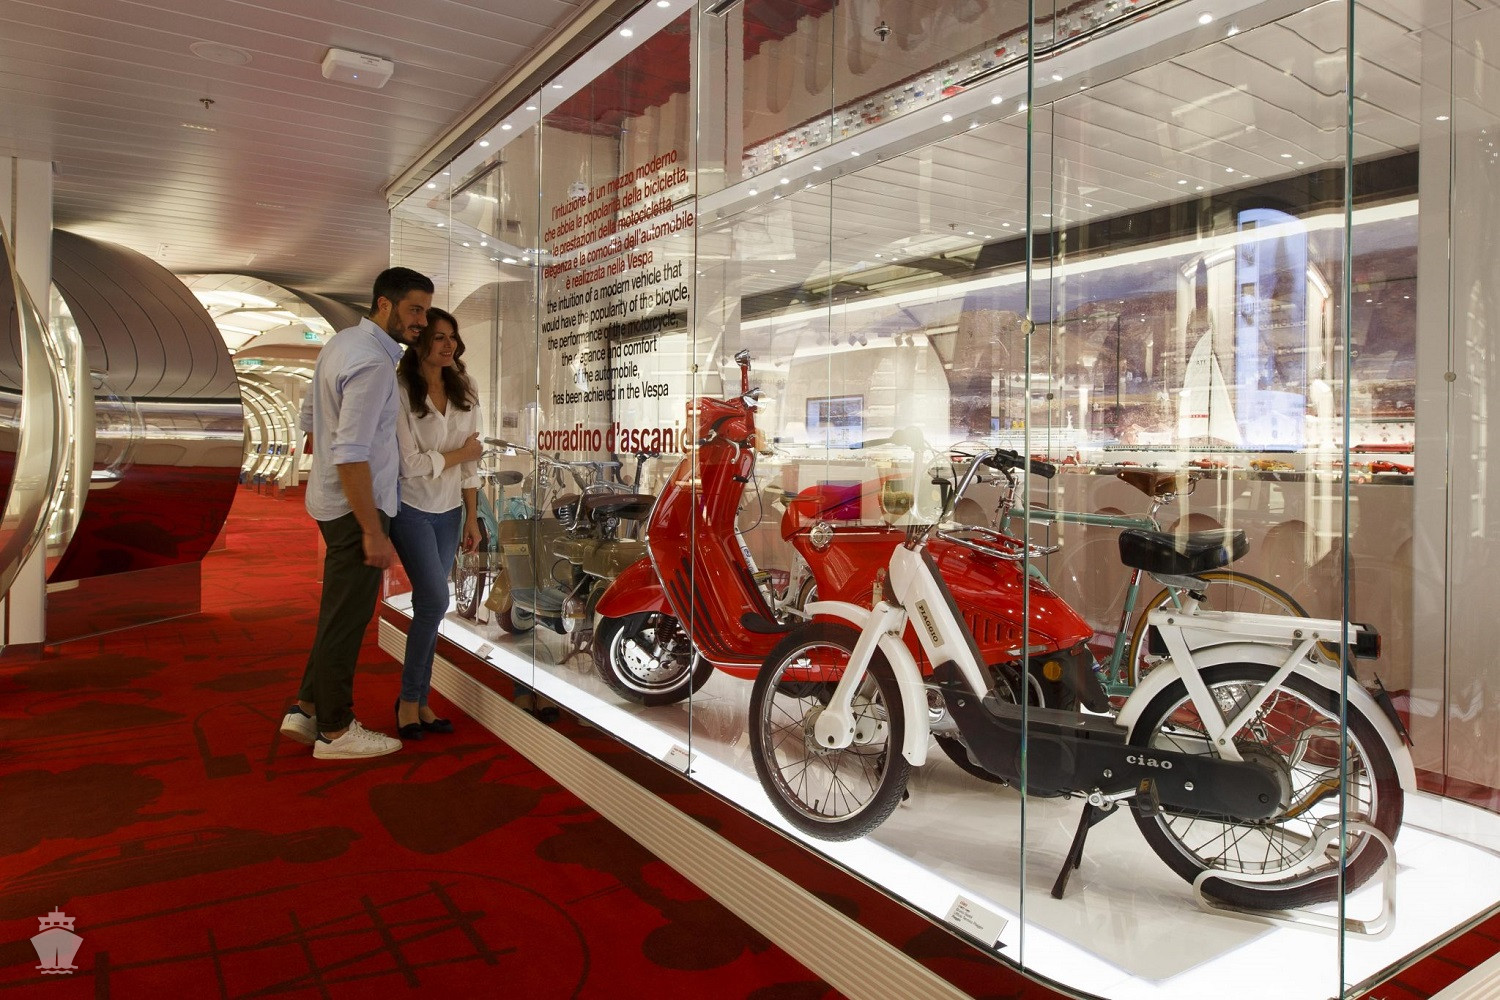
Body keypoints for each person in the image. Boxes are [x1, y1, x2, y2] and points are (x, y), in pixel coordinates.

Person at [280, 267, 434, 760]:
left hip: (334, 501)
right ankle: (335, 730)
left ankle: (307, 708)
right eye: (414, 310)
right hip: (356, 506)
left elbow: (310, 421)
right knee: (348, 619)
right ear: (384, 304)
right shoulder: (371, 362)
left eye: (426, 311)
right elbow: (351, 453)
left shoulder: (342, 344)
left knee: (339, 613)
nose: (422, 321)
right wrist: (371, 529)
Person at [388, 307, 483, 739]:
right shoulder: (400, 389)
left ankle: (419, 702)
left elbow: (472, 463)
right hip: (410, 509)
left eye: (452, 337)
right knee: (434, 600)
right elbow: (408, 465)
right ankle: (410, 700)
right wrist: (461, 455)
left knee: (431, 605)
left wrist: (472, 516)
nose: (449, 345)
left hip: (450, 511)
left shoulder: (466, 386)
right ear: (420, 342)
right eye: (439, 337)